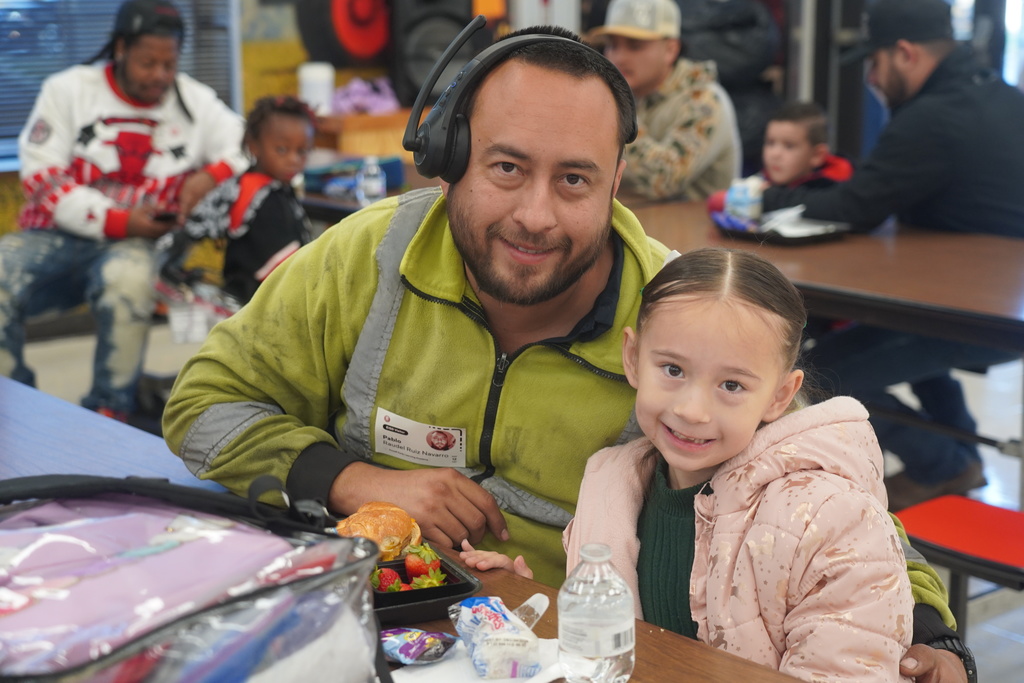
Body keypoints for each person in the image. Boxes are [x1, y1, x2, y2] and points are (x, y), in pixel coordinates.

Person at [161, 24, 972, 682]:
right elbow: (201, 401)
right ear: (450, 160)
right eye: (506, 167)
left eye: (575, 180)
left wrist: (934, 631)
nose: (536, 216)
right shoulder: (370, 255)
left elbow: (820, 484)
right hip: (359, 629)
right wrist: (354, 479)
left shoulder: (679, 320)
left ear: (618, 178)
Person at [463, 247, 915, 681]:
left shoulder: (831, 520)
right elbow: (618, 655)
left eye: (732, 385)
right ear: (634, 359)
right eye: (674, 370)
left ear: (780, 395)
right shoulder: (611, 484)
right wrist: (538, 610)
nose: (693, 410)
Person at [762, 0, 1024, 511]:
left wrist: (763, 198)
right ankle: (962, 458)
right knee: (916, 359)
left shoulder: (932, 116)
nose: (873, 79)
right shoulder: (1003, 96)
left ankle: (944, 466)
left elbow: (854, 205)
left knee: (813, 378)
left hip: (961, 311)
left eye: (875, 64)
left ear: (904, 53)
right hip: (994, 303)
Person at [0, 0, 247, 421]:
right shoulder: (68, 90)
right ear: (119, 49)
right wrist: (117, 219)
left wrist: (210, 174)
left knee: (129, 280)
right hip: (53, 238)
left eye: (169, 64)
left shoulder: (193, 100)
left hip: (136, 245)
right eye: (148, 63)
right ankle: (12, 401)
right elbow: (41, 175)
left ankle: (110, 410)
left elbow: (244, 142)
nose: (160, 76)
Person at [161, 95, 315, 304]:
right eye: (281, 149)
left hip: (216, 293)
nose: (293, 160)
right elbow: (285, 276)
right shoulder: (266, 199)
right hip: (248, 305)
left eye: (303, 151)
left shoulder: (245, 183)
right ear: (253, 146)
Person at [588, 0, 741, 201]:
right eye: (612, 45)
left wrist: (617, 113)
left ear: (670, 50)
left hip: (691, 230)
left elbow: (664, 179)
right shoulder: (630, 92)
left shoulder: (705, 101)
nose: (618, 57)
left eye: (635, 46)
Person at [707, 100, 853, 214]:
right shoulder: (761, 181)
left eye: (789, 146)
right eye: (770, 143)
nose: (775, 154)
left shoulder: (835, 192)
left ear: (817, 155)